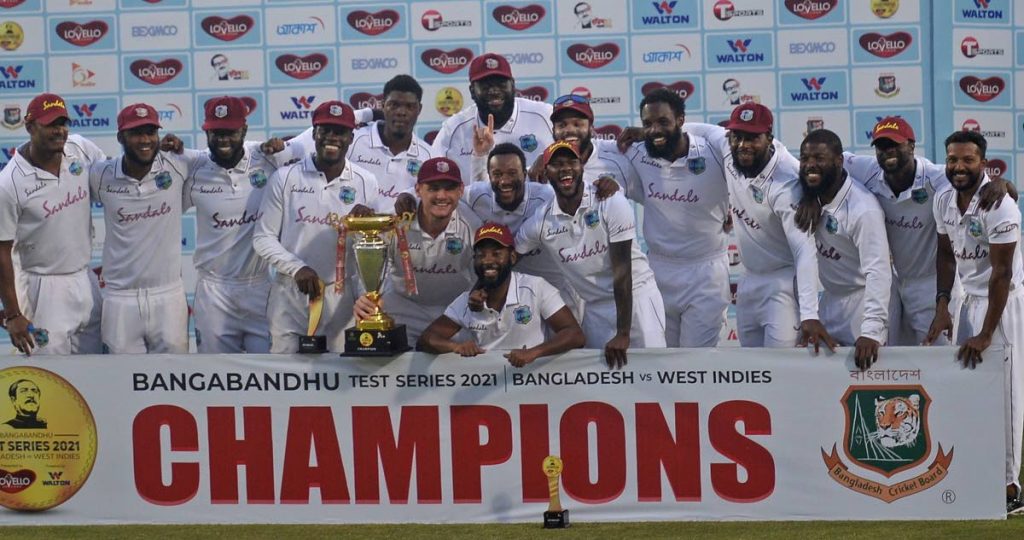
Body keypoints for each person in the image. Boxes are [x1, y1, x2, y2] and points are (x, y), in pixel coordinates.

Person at [924, 130, 1024, 514]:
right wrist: (943, 304)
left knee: (1008, 397)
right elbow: (946, 255)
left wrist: (986, 333)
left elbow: (1002, 274)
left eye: (967, 160)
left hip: (1003, 307)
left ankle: (1010, 487)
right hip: (968, 304)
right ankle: (971, 475)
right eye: (952, 160)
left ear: (983, 162)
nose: (958, 167)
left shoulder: (1000, 204)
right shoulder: (945, 199)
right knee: (965, 391)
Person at [684, 103, 829, 349]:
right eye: (737, 136)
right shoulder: (729, 149)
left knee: (779, 368)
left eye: (753, 138)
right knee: (753, 367)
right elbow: (701, 130)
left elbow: (804, 252)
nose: (743, 145)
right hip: (748, 279)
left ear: (769, 138)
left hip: (782, 284)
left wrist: (810, 314)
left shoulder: (788, 185)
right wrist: (645, 133)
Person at [516, 141, 666, 368]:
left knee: (654, 372)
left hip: (637, 299)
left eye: (571, 162)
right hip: (595, 307)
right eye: (556, 164)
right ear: (546, 173)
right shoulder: (541, 220)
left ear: (581, 167)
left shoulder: (610, 201)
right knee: (605, 384)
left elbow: (622, 272)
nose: (565, 168)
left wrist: (622, 333)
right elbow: (510, 254)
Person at [254, 101, 379, 353]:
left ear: (351, 137)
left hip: (341, 295)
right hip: (291, 293)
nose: (332, 137)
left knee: (337, 379)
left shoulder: (366, 182)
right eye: (325, 130)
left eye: (340, 131)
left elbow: (370, 248)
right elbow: (262, 238)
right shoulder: (285, 177)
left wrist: (365, 228)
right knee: (287, 379)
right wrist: (297, 268)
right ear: (314, 134)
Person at [89, 103, 201, 354]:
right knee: (125, 384)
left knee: (173, 381)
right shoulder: (100, 174)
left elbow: (218, 159)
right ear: (121, 137)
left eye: (151, 132)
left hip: (168, 294)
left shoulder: (178, 164)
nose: (145, 140)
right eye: (136, 133)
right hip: (120, 299)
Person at [620, 88, 729, 347]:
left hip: (706, 273)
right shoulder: (637, 153)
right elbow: (593, 157)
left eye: (663, 122)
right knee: (661, 362)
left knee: (697, 365)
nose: (654, 130)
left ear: (681, 120)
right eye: (647, 124)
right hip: (657, 270)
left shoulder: (714, 151)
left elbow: (754, 174)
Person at [184, 96, 292, 353]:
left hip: (259, 286)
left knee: (268, 375)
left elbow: (312, 146)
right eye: (216, 132)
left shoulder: (267, 157)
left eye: (231, 132)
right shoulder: (193, 167)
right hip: (214, 291)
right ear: (206, 131)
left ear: (244, 130)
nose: (223, 139)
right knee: (216, 378)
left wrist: (368, 115)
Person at [0, 92, 104, 355]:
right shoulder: (9, 182)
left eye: (63, 123)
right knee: (50, 374)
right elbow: (2, 251)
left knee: (96, 371)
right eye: (50, 124)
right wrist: (12, 314)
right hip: (42, 288)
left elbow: (116, 180)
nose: (60, 131)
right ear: (30, 127)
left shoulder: (80, 149)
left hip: (85, 278)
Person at [417, 223, 585, 366]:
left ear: (512, 257)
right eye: (481, 255)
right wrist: (456, 347)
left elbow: (574, 334)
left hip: (532, 384)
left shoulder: (535, 287)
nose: (488, 261)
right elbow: (426, 340)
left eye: (497, 254)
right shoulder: (466, 300)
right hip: (487, 388)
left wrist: (534, 353)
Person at [354, 157, 481, 345]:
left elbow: (480, 277)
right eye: (433, 188)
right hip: (404, 308)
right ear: (418, 190)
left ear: (461, 190)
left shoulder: (472, 224)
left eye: (449, 188)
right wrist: (365, 297)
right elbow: (368, 263)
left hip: (453, 312)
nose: (441, 196)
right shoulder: (394, 220)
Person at [797, 129, 891, 369]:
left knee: (866, 382)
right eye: (805, 159)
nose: (810, 165)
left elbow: (878, 271)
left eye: (819, 159)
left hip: (861, 303)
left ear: (839, 161)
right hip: (830, 300)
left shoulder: (863, 209)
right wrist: (809, 196)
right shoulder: (810, 194)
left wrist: (871, 330)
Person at [283, 75, 433, 210]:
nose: (401, 112)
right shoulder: (353, 140)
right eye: (394, 105)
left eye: (409, 106)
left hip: (402, 238)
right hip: (346, 235)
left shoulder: (428, 156)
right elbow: (305, 148)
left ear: (419, 109)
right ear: (382, 105)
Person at [432, 53, 553, 184]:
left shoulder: (544, 115)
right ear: (472, 91)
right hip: (476, 204)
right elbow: (429, 176)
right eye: (486, 85)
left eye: (501, 84)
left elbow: (575, 146)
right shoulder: (453, 130)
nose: (494, 91)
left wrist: (548, 155)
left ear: (512, 86)